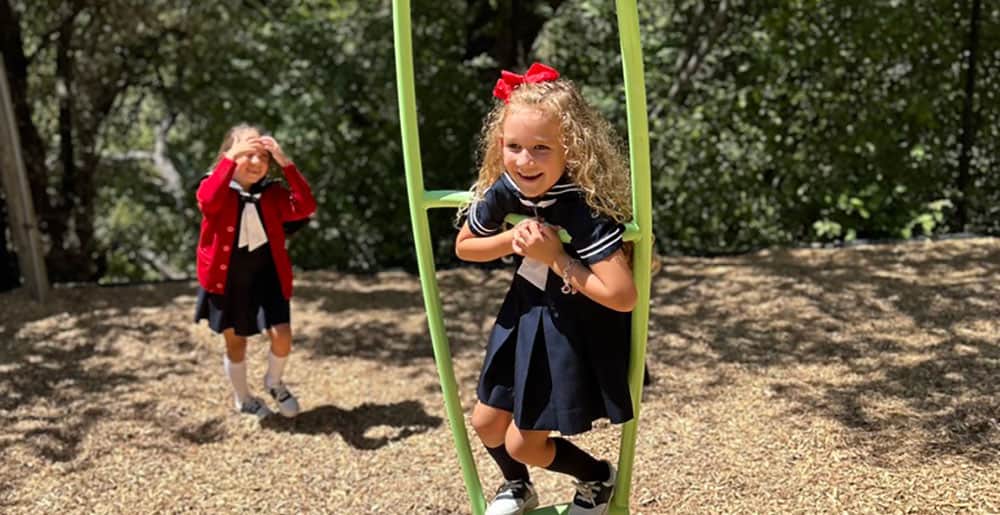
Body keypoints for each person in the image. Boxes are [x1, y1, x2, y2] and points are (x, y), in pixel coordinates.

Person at [455, 63, 637, 515]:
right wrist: (512, 239)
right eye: (514, 147)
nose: (525, 160)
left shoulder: (582, 206)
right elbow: (465, 246)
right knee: (485, 421)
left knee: (523, 442)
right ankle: (518, 488)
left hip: (571, 321)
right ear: (501, 145)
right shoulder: (506, 188)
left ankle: (597, 479)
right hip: (523, 311)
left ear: (571, 149)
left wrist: (556, 257)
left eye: (541, 148)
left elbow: (622, 295)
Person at [194, 124, 317, 419]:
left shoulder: (272, 194)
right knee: (237, 342)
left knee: (282, 335)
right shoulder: (215, 188)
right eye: (247, 153)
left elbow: (305, 206)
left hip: (268, 278)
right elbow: (207, 201)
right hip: (228, 280)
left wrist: (285, 163)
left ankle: (273, 381)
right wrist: (230, 157)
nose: (256, 162)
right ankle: (244, 397)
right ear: (229, 154)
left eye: (263, 156)